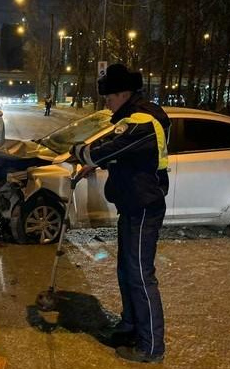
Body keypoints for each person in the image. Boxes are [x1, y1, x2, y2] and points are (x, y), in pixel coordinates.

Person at [71, 64, 170, 363]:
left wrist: (83, 154)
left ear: (124, 93)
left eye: (109, 97)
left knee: (140, 275)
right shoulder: (133, 118)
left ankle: (151, 346)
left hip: (143, 207)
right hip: (131, 204)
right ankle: (129, 326)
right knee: (126, 270)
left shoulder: (142, 121)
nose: (106, 102)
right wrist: (98, 161)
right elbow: (123, 153)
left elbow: (107, 149)